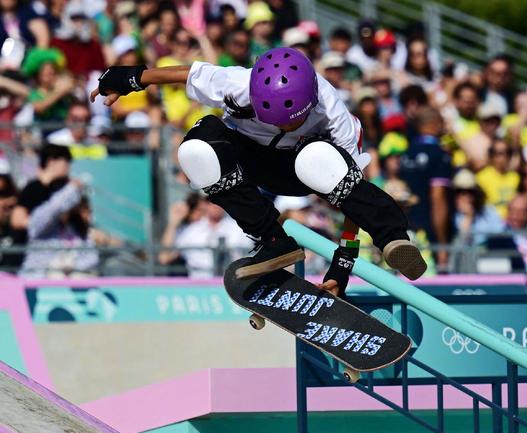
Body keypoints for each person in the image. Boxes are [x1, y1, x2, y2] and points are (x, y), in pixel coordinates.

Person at [91, 46, 426, 294]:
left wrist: (342, 267)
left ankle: (393, 236)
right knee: (197, 151)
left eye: (289, 120)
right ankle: (273, 240)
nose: (281, 124)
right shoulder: (237, 82)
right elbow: (187, 73)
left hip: (298, 172)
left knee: (320, 157)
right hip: (248, 159)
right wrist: (130, 78)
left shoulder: (332, 111)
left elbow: (353, 196)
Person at [399, 106, 451, 270]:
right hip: (430, 234)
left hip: (405, 229)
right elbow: (438, 198)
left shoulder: (406, 153)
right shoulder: (439, 154)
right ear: (435, 124)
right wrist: (442, 245)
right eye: (442, 122)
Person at [475, 138, 519, 218]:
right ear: (491, 156)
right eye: (498, 153)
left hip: (511, 222)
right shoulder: (481, 177)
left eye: (507, 153)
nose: (503, 157)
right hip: (490, 222)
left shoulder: (515, 177)